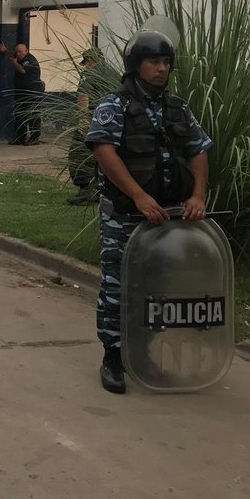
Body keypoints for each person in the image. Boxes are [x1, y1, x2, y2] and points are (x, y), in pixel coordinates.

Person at [85, 29, 211, 395]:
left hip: (168, 216)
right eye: (153, 62)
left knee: (158, 286)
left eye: (166, 62)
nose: (161, 69)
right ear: (136, 65)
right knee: (118, 285)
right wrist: (138, 196)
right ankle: (113, 357)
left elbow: (198, 149)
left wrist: (198, 195)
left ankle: (144, 352)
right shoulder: (115, 106)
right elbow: (104, 152)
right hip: (125, 215)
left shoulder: (177, 107)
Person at [67, 49, 101, 205]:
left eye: (86, 63)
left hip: (93, 118)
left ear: (90, 61)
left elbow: (83, 95)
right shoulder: (110, 72)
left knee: (78, 151)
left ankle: (86, 189)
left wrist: (83, 120)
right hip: (109, 120)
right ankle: (100, 188)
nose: (85, 66)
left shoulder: (90, 73)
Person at [0, 42, 43, 145]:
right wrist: (5, 51)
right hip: (21, 92)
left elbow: (22, 70)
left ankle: (34, 138)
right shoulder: (18, 56)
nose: (18, 54)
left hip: (32, 92)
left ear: (26, 51)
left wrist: (13, 62)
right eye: (17, 52)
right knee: (20, 115)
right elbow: (12, 54)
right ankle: (20, 138)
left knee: (33, 115)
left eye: (20, 52)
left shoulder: (30, 59)